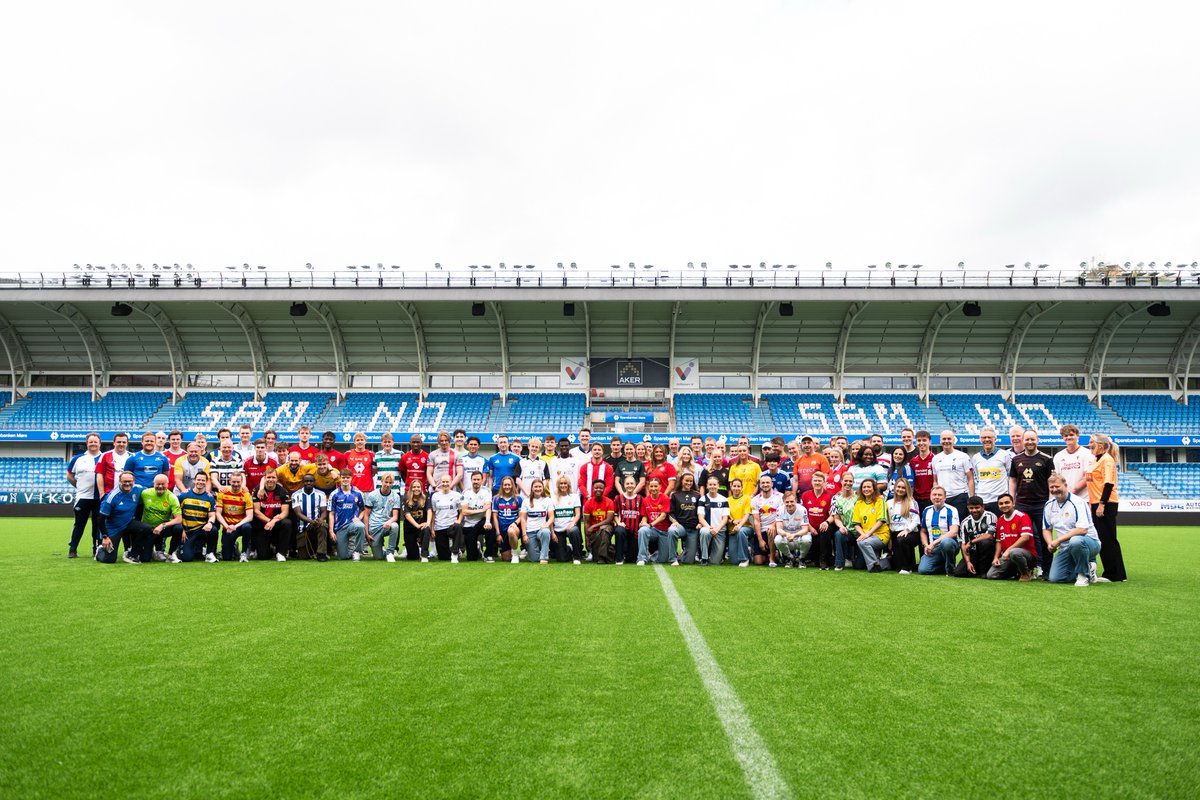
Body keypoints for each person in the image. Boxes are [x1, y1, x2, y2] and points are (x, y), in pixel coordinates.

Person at [1044, 472, 1101, 586]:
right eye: (1052, 487)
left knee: (1075, 541)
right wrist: (1050, 543)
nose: (1055, 489)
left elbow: (1082, 530)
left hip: (1089, 543)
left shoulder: (1078, 502)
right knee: (1055, 578)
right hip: (1065, 548)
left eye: (1057, 486)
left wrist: (1058, 541)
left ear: (1065, 485)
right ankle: (1089, 567)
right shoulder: (1049, 505)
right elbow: (1046, 528)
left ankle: (1083, 575)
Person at [1010, 430, 1054, 577]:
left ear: (1038, 440)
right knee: (1023, 538)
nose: (1030, 442)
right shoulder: (1016, 459)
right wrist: (1012, 499)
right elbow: (1013, 480)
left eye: (1032, 439)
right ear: (1023, 441)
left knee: (1043, 537)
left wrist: (1050, 503)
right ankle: (1026, 568)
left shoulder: (1046, 459)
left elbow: (1051, 482)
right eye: (1027, 439)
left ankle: (1046, 569)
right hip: (1022, 504)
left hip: (1041, 504)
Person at [1086, 433, 1125, 582]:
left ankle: (1115, 574)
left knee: (1108, 538)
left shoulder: (1107, 460)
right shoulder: (1097, 459)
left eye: (1092, 443)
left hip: (1106, 503)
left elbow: (1108, 484)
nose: (1089, 445)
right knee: (1104, 538)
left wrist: (1101, 505)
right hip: (1097, 502)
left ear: (1100, 445)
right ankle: (1113, 572)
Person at [95, 471, 148, 564]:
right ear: (120, 482)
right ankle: (100, 550)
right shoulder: (111, 497)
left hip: (128, 523)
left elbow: (152, 492)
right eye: (124, 481)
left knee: (146, 528)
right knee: (110, 560)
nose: (127, 483)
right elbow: (100, 518)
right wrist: (105, 536)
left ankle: (132, 555)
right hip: (113, 528)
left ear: (134, 481)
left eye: (130, 481)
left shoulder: (138, 489)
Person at [66, 433, 103, 558]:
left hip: (100, 498)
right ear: (87, 443)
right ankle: (73, 549)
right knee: (79, 524)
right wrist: (79, 486)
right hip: (83, 498)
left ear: (100, 443)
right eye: (91, 442)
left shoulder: (105, 457)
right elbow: (69, 475)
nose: (93, 444)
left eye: (95, 442)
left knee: (97, 526)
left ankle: (96, 550)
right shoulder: (78, 458)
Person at [986, 493, 1036, 581]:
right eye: (1001, 504)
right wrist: (996, 557)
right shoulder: (1000, 519)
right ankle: (1016, 571)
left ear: (1013, 503)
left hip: (1025, 555)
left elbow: (1025, 538)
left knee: (1015, 552)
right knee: (992, 575)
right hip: (1008, 556)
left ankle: (1026, 572)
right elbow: (998, 541)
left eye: (1007, 502)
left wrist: (1008, 550)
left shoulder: (1022, 516)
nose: (1004, 505)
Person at [138, 473, 183, 562]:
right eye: (158, 484)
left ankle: (171, 554)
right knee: (145, 559)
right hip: (148, 529)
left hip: (161, 530)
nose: (160, 486)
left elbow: (178, 519)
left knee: (178, 528)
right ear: (153, 484)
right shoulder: (145, 493)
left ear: (167, 484)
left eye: (163, 484)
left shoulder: (172, 497)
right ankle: (152, 550)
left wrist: (162, 525)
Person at [918, 486, 960, 575]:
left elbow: (954, 531)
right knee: (923, 570)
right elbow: (923, 531)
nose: (937, 497)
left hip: (949, 545)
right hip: (933, 548)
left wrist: (933, 543)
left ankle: (950, 569)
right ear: (930, 497)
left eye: (940, 495)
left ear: (945, 498)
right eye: (934, 495)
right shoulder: (926, 510)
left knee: (946, 543)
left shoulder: (951, 510)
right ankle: (944, 566)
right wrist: (926, 545)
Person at [931, 430, 973, 519]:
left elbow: (970, 479)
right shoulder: (935, 458)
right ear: (940, 440)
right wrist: (935, 495)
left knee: (961, 525)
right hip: (943, 499)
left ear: (954, 440)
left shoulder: (963, 456)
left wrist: (971, 498)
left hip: (960, 497)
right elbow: (935, 480)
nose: (946, 441)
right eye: (944, 439)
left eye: (949, 439)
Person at [252, 469, 292, 561]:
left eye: (273, 477)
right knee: (263, 557)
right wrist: (269, 521)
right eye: (268, 477)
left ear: (277, 479)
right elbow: (256, 512)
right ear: (264, 478)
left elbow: (285, 512)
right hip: (263, 524)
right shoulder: (258, 490)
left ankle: (281, 552)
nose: (270, 479)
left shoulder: (282, 491)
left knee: (287, 523)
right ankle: (266, 548)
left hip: (277, 523)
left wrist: (273, 521)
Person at [177, 472, 218, 563]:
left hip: (201, 529)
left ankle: (209, 554)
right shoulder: (184, 495)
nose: (200, 482)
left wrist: (210, 523)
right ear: (194, 481)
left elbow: (212, 515)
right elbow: (176, 514)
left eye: (203, 480)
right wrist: (181, 529)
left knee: (213, 530)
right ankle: (188, 548)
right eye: (198, 479)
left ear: (206, 482)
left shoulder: (209, 498)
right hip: (187, 531)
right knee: (186, 558)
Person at [952, 495, 997, 578]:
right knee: (958, 573)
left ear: (983, 506)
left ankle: (984, 570)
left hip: (989, 551)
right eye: (971, 508)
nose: (974, 510)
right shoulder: (965, 522)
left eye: (977, 507)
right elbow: (963, 544)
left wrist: (972, 541)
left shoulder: (990, 516)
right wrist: (968, 562)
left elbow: (989, 536)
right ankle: (976, 568)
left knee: (985, 543)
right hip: (974, 552)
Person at [971, 427, 1012, 516]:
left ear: (995, 439)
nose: (987, 440)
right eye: (984, 437)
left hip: (1000, 501)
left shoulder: (1004, 455)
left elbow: (1010, 476)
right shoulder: (975, 458)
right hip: (983, 501)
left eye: (989, 437)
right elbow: (977, 477)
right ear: (980, 440)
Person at [360, 471, 400, 561]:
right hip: (374, 527)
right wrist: (367, 533)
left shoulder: (395, 496)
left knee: (395, 526)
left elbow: (395, 516)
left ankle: (390, 553)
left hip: (386, 524)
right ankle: (382, 550)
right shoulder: (372, 495)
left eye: (390, 483)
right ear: (381, 482)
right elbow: (366, 515)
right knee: (378, 557)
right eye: (386, 482)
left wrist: (389, 521)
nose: (388, 484)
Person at [799, 471, 835, 570]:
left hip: (823, 527)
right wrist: (809, 527)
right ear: (812, 482)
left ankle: (823, 560)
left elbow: (833, 515)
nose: (817, 483)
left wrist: (826, 522)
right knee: (814, 561)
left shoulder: (831, 496)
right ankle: (803, 558)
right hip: (809, 527)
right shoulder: (805, 495)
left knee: (825, 530)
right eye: (815, 481)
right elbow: (802, 514)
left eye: (820, 481)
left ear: (824, 483)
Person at [291, 472, 330, 561]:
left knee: (323, 525)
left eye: (311, 481)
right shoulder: (295, 495)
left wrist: (320, 519)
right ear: (303, 482)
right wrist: (311, 521)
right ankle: (311, 551)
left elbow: (324, 511)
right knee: (303, 557)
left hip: (316, 525)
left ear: (314, 482)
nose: (308, 483)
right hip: (302, 528)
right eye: (306, 481)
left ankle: (321, 554)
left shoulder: (321, 494)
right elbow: (298, 513)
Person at [216, 471, 254, 563]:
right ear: (230, 481)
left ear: (241, 482)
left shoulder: (246, 494)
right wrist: (226, 526)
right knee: (226, 558)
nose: (236, 484)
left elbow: (250, 516)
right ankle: (234, 547)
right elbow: (218, 513)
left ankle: (244, 553)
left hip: (240, 525)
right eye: (234, 482)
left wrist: (235, 526)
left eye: (238, 482)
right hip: (228, 527)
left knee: (247, 527)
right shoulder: (222, 493)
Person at [887, 478, 922, 575]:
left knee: (902, 539)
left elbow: (916, 520)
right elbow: (888, 522)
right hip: (894, 533)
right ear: (894, 488)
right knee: (896, 566)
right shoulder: (889, 503)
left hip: (911, 533)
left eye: (903, 487)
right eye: (898, 487)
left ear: (907, 489)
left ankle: (907, 568)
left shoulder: (911, 502)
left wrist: (908, 530)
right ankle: (909, 564)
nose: (900, 489)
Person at [1053, 424, 1095, 503]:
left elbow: (1087, 478)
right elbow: (1057, 478)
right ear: (1063, 437)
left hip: (1083, 499)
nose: (1069, 437)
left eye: (1071, 435)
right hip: (1065, 499)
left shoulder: (1087, 454)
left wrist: (1072, 493)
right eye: (1066, 435)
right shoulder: (1058, 456)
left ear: (1077, 436)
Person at [636, 477, 672, 566]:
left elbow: (663, 516)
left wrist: (650, 524)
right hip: (653, 530)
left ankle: (653, 555)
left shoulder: (665, 498)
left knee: (663, 560)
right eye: (651, 486)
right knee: (643, 530)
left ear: (660, 487)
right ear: (648, 487)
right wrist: (644, 523)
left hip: (664, 531)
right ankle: (642, 558)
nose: (653, 489)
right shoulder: (645, 500)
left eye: (655, 486)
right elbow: (645, 516)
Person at [668, 472, 702, 565]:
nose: (689, 483)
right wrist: (674, 521)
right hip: (681, 526)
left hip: (693, 528)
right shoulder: (675, 495)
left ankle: (682, 555)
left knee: (689, 561)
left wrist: (700, 523)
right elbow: (670, 512)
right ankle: (673, 559)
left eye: (691, 481)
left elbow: (701, 511)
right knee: (672, 530)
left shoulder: (697, 495)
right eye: (687, 480)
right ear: (682, 481)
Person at [773, 491, 812, 568]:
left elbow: (805, 529)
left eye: (791, 501)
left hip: (799, 536)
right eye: (787, 502)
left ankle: (801, 558)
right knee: (777, 539)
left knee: (807, 539)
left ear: (796, 500)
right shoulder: (779, 510)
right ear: (783, 502)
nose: (789, 504)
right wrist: (786, 534)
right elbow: (779, 529)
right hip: (787, 536)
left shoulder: (802, 509)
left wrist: (794, 535)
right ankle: (790, 558)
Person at [751, 474, 784, 567]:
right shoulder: (755, 500)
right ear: (759, 485)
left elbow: (781, 516)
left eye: (767, 482)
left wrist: (773, 525)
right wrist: (760, 539)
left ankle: (772, 558)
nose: (765, 485)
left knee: (771, 530)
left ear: (772, 484)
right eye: (763, 483)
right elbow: (756, 521)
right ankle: (772, 554)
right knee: (758, 561)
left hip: (776, 529)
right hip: (762, 531)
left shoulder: (780, 497)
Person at [430, 474, 465, 563]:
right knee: (443, 557)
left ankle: (455, 553)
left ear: (451, 482)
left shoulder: (457, 495)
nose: (445, 484)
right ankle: (452, 549)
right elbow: (433, 514)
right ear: (440, 483)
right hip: (439, 526)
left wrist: (459, 521)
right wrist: (432, 528)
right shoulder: (435, 496)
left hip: (451, 526)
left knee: (458, 527)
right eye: (443, 482)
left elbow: (462, 511)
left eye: (447, 482)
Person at [459, 470, 492, 562]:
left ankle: (488, 554)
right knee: (471, 558)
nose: (476, 481)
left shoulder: (487, 491)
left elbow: (488, 507)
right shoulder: (465, 492)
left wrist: (488, 521)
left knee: (490, 528)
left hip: (481, 522)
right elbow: (464, 512)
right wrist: (481, 510)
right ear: (471, 480)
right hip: (469, 524)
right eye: (474, 479)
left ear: (482, 480)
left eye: (478, 479)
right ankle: (477, 547)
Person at [697, 475, 730, 566]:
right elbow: (701, 518)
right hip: (708, 528)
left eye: (714, 484)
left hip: (720, 530)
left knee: (715, 562)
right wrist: (710, 528)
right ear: (707, 486)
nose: (712, 486)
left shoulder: (724, 500)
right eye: (710, 484)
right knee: (704, 531)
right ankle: (704, 558)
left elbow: (725, 518)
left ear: (718, 486)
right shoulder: (702, 499)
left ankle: (715, 556)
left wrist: (717, 529)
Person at [550, 476, 583, 564]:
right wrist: (552, 533)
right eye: (561, 483)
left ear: (568, 485)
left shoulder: (574, 497)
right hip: (558, 529)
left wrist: (572, 523)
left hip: (570, 527)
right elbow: (551, 517)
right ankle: (569, 548)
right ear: (558, 485)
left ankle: (576, 557)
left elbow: (578, 514)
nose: (563, 485)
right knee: (561, 559)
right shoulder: (552, 498)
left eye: (565, 483)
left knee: (574, 531)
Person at [521, 479, 555, 564]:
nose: (538, 489)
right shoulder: (526, 501)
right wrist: (524, 534)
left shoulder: (548, 500)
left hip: (542, 530)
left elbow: (551, 517)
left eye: (540, 487)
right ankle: (540, 548)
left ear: (543, 488)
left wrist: (546, 525)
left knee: (546, 532)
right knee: (533, 559)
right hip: (530, 531)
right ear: (532, 488)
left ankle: (544, 557)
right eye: (535, 487)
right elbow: (523, 519)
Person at [490, 476, 523, 563]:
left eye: (509, 485)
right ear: (502, 486)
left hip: (514, 528)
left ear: (512, 485)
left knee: (511, 531)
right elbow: (495, 517)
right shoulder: (496, 499)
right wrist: (498, 534)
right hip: (502, 530)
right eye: (505, 485)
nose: (507, 487)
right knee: (506, 558)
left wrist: (515, 523)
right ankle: (510, 551)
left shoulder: (518, 498)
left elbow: (521, 516)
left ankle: (515, 554)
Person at [830, 472, 859, 571]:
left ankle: (852, 558)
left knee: (859, 565)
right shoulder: (836, 498)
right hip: (847, 531)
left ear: (853, 482)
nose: (848, 483)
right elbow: (836, 518)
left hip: (860, 532)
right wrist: (841, 527)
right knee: (838, 534)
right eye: (845, 481)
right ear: (841, 481)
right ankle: (839, 564)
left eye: (850, 481)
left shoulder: (859, 497)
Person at [583, 480, 616, 564]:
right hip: (594, 533)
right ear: (592, 489)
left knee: (604, 529)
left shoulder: (609, 502)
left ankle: (602, 558)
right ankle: (611, 550)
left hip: (607, 528)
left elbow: (609, 520)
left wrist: (594, 526)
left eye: (601, 488)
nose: (598, 490)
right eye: (596, 488)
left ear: (604, 489)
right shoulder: (588, 503)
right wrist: (587, 538)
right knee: (595, 557)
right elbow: (586, 522)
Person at [613, 475, 644, 565]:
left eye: (631, 483)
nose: (629, 485)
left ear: (635, 485)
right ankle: (619, 558)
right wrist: (618, 523)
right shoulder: (618, 498)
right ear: (624, 485)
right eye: (627, 483)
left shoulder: (640, 498)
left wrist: (642, 522)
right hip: (623, 529)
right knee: (619, 530)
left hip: (635, 532)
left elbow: (643, 514)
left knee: (632, 559)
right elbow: (615, 514)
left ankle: (628, 553)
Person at [402, 478, 432, 562]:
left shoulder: (426, 497)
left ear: (421, 488)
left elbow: (429, 510)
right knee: (412, 557)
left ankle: (424, 555)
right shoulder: (406, 497)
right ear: (411, 488)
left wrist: (428, 523)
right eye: (414, 487)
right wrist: (417, 525)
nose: (416, 489)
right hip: (410, 528)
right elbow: (407, 515)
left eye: (418, 487)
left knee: (426, 529)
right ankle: (416, 550)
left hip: (422, 527)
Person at [726, 478, 752, 567]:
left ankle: (745, 559)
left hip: (745, 527)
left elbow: (747, 514)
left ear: (742, 487)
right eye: (734, 486)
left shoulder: (747, 498)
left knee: (741, 531)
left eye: (738, 486)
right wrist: (733, 522)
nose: (736, 488)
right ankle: (748, 550)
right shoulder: (727, 500)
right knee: (734, 561)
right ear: (731, 486)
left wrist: (740, 525)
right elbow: (726, 517)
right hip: (732, 530)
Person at [908, 430, 935, 513]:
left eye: (924, 440)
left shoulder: (935, 459)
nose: (921, 443)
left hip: (931, 498)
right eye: (919, 440)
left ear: (929, 441)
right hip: (916, 499)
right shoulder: (913, 461)